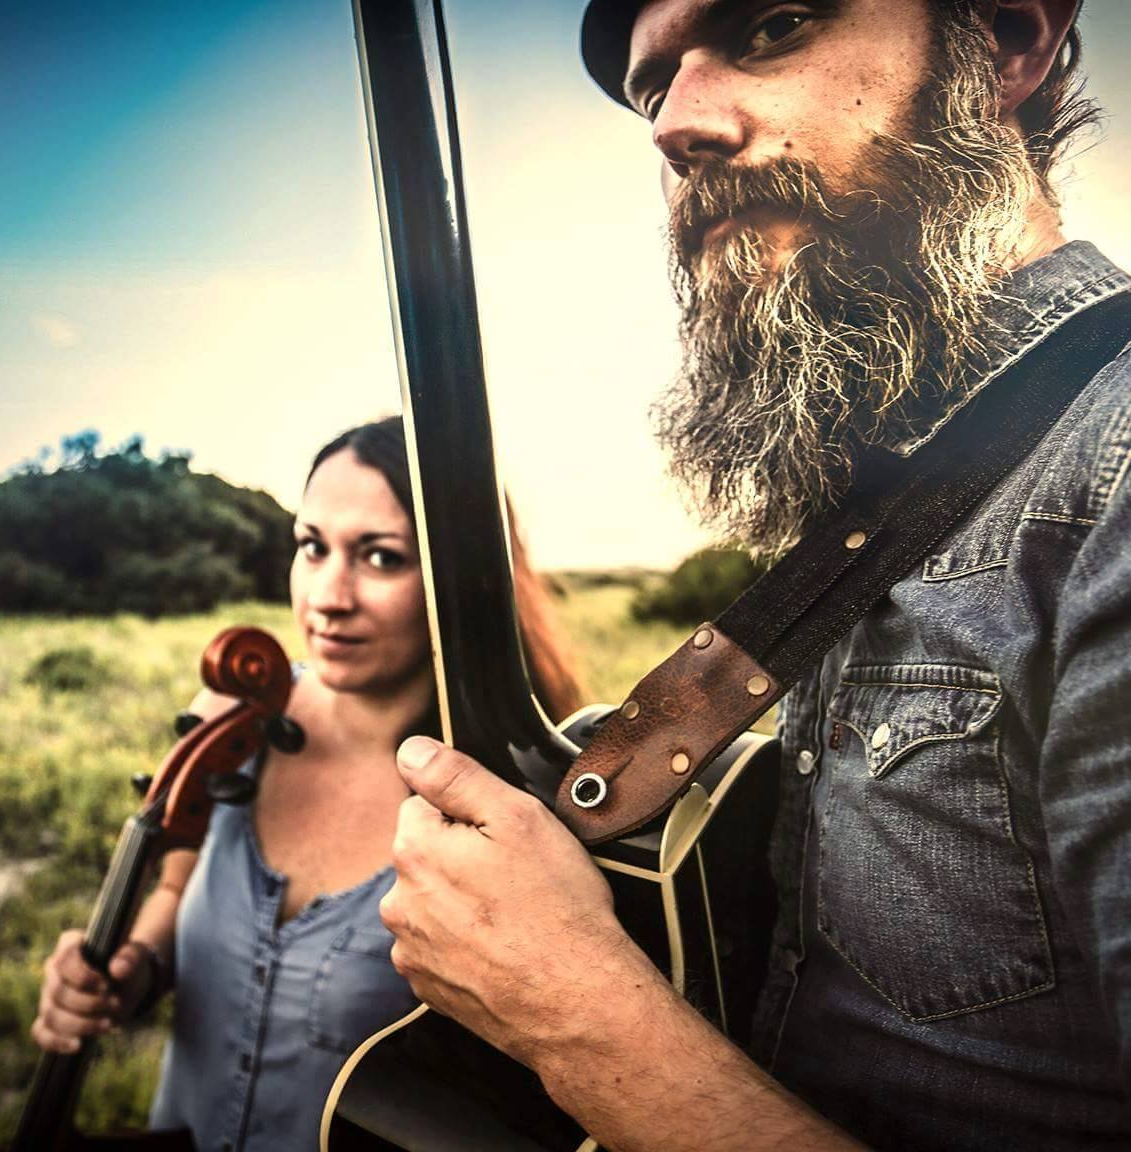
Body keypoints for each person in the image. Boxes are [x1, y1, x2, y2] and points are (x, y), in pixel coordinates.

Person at [375, 2, 1131, 1150]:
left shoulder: (1109, 469)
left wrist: (576, 1014)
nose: (675, 124)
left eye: (772, 27)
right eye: (651, 88)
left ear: (1007, 44)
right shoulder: (882, 488)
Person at [28, 416, 581, 1151]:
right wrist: (132, 970)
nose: (328, 595)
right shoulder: (234, 720)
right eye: (311, 546)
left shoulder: (505, 810)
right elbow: (173, 892)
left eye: (380, 558)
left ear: (461, 579)